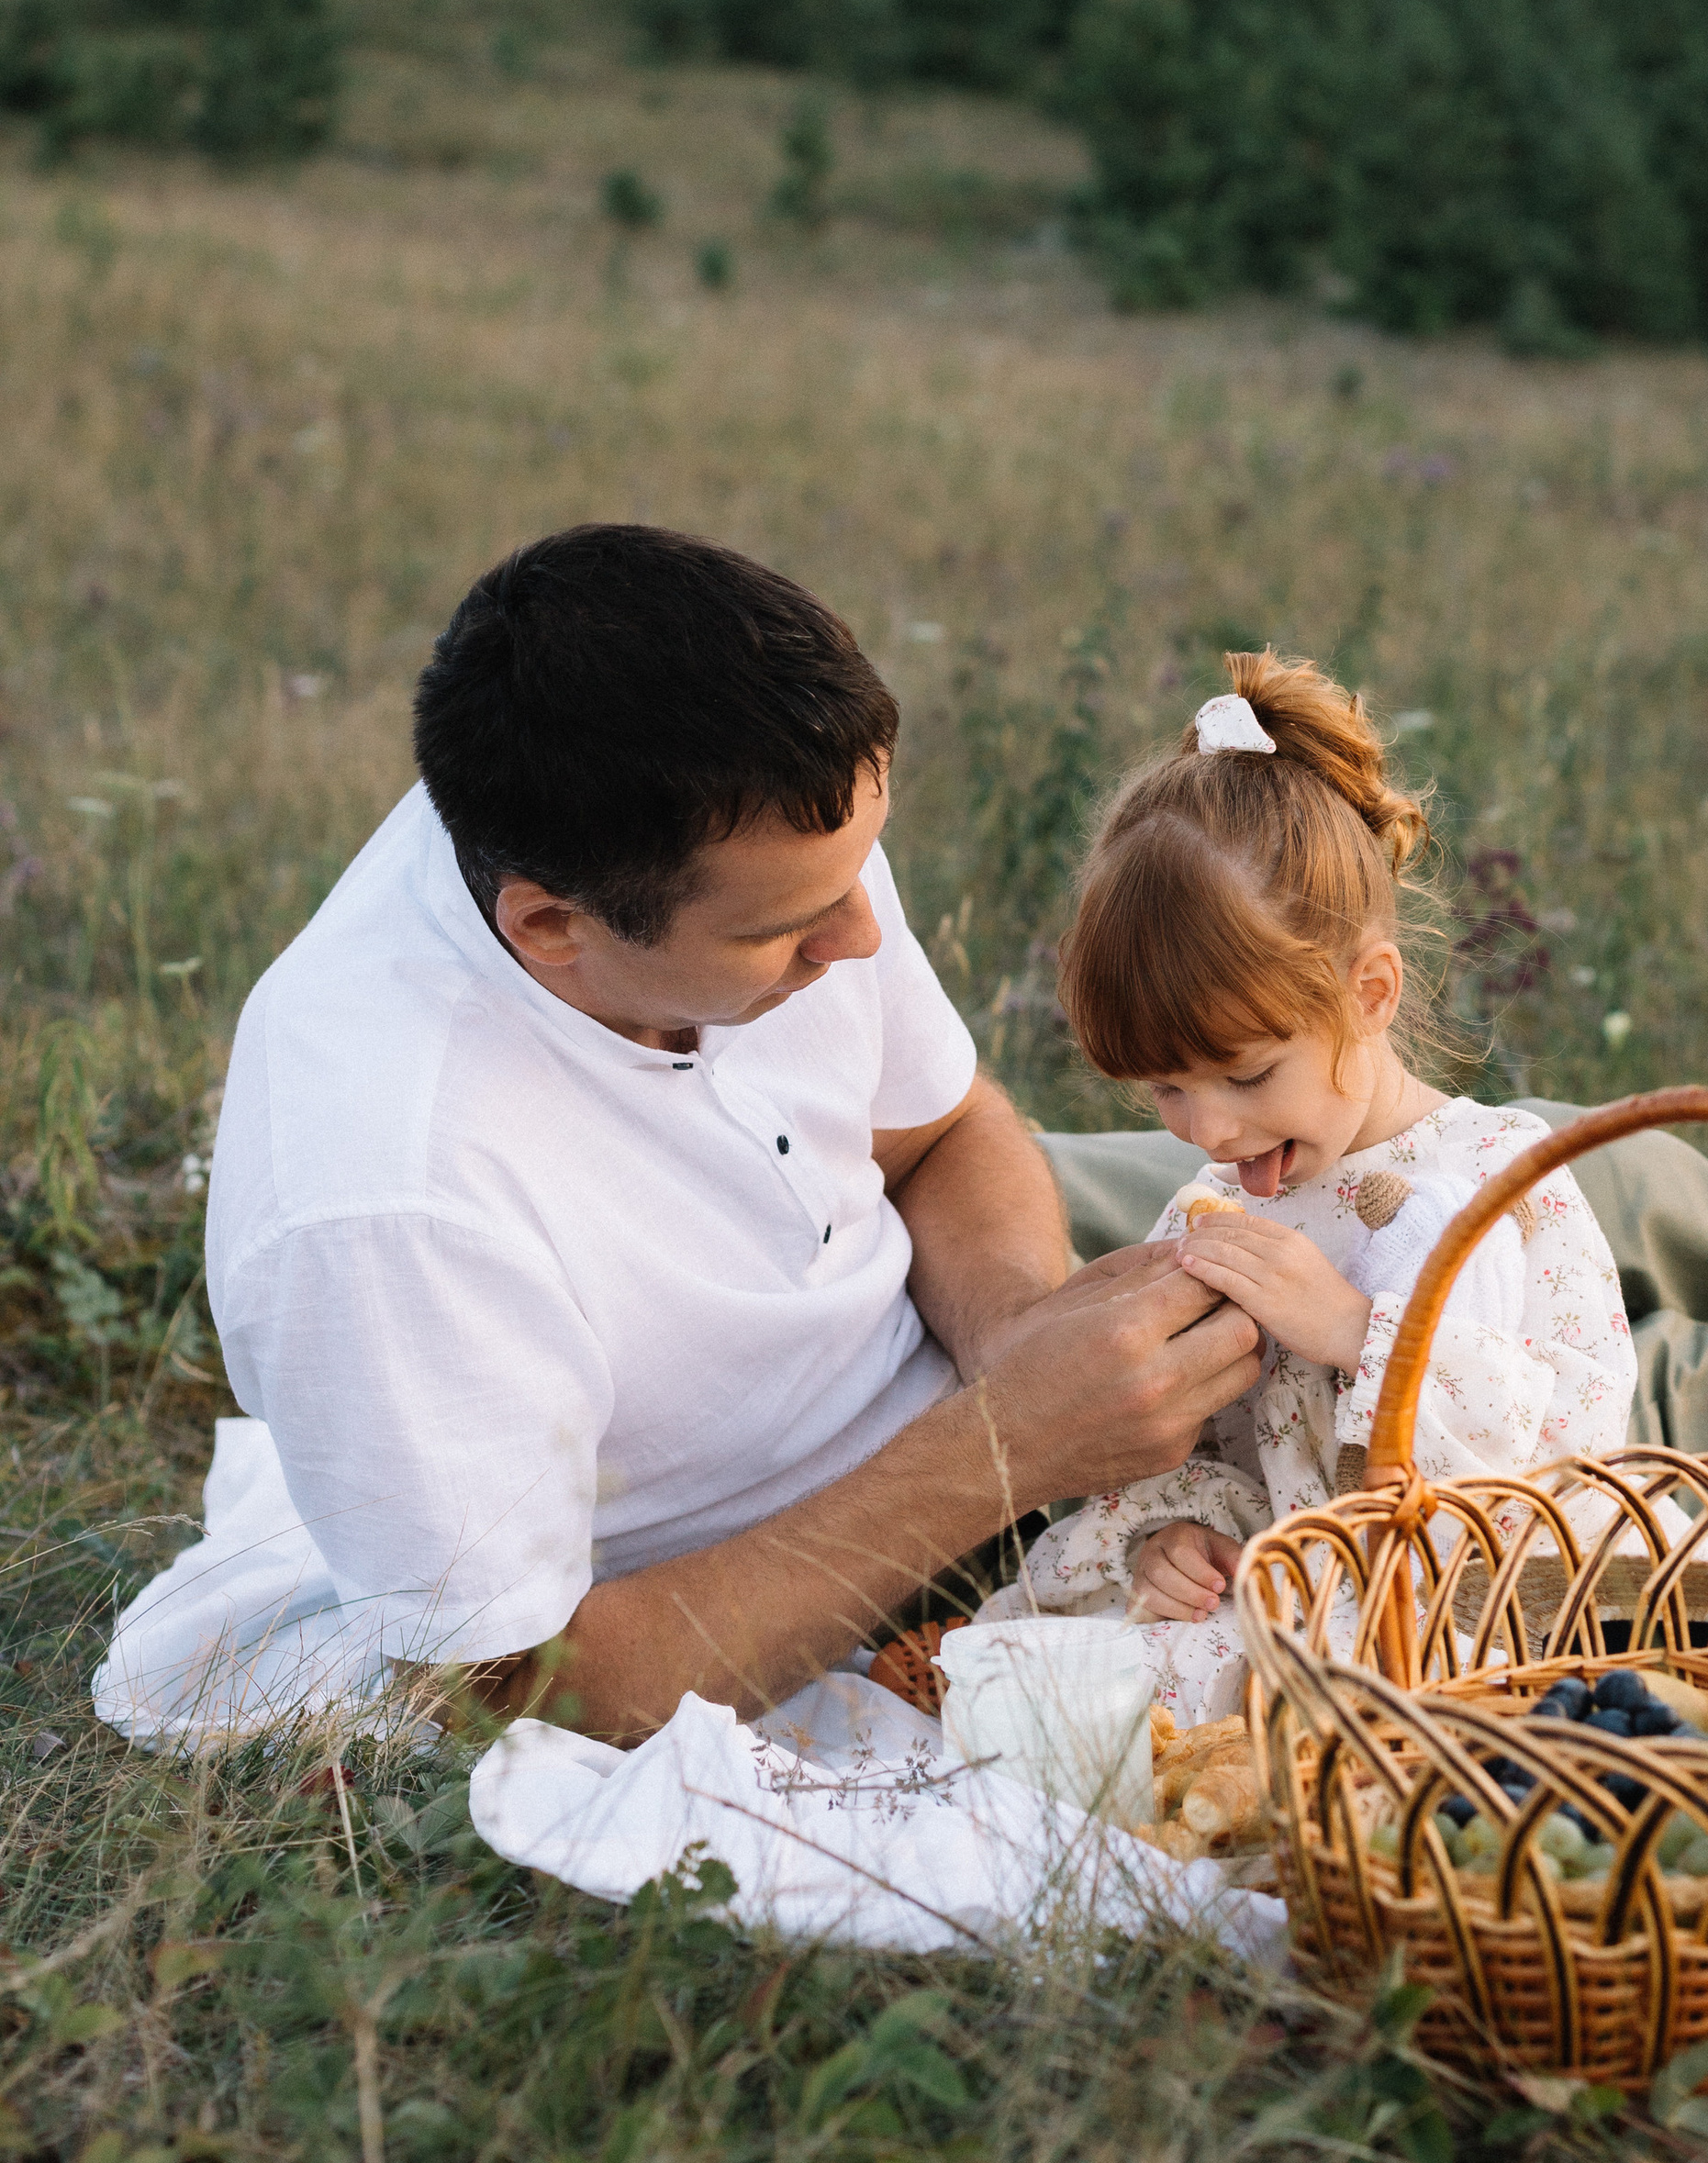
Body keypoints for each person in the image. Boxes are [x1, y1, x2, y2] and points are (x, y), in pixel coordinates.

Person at [96, 527, 1261, 1752]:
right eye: (791, 928)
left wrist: (1024, 1332)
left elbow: (939, 1131)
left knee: (1419, 1217)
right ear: (551, 926)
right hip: (819, 1564)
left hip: (968, 1299)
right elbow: (524, 1698)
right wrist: (1009, 1445)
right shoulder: (393, 1202)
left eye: (862, 869)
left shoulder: (729, 815)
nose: (861, 938)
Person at [993, 656, 1635, 1716]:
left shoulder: (1499, 1187)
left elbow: (1565, 1459)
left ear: (1371, 992)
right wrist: (1166, 1536)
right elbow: (1183, 1449)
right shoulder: (1214, 1210)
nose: (1208, 1128)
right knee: (1063, 1684)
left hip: (1437, 1615)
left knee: (1337, 1706)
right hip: (1264, 1598)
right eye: (1165, 1088)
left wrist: (1355, 1329)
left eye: (1247, 1075)